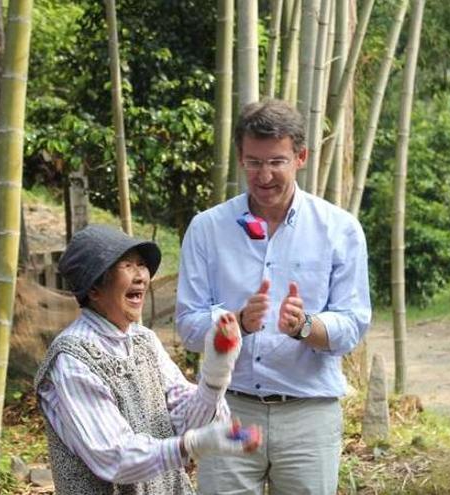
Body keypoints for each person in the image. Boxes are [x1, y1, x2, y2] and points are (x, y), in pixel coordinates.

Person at [176, 99, 372, 494]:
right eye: (253, 162)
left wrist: (305, 327)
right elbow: (188, 326)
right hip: (228, 408)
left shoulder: (340, 229)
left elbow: (352, 325)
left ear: (301, 157)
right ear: (240, 158)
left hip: (309, 413)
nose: (264, 175)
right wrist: (235, 323)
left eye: (276, 162)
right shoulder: (207, 229)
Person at [35, 224, 261, 494]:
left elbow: (187, 420)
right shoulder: (72, 359)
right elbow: (115, 457)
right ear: (94, 289)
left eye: (142, 265)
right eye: (127, 266)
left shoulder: (144, 341)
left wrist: (217, 370)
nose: (141, 276)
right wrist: (191, 445)